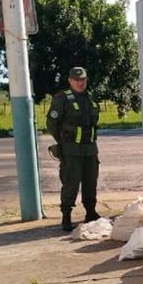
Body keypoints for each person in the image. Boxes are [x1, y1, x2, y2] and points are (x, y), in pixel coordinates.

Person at [46, 67, 101, 231]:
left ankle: (90, 212)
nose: (80, 83)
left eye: (83, 79)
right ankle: (66, 216)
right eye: (76, 80)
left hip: (90, 149)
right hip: (71, 150)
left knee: (90, 183)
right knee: (71, 183)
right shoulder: (62, 98)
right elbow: (52, 123)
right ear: (70, 81)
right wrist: (62, 142)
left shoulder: (90, 97)